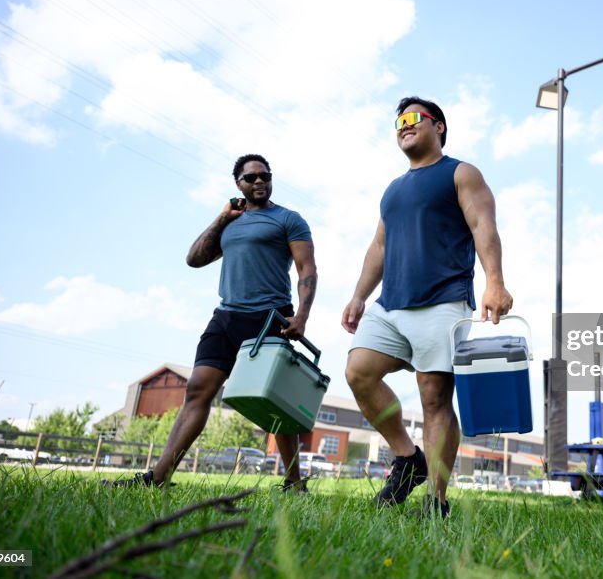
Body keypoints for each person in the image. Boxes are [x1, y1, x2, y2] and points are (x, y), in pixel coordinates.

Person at [342, 96, 513, 518]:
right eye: (397, 121)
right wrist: (359, 295)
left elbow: (482, 226)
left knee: (435, 398)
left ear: (438, 126)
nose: (403, 125)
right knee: (358, 372)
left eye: (412, 118)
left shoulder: (460, 173)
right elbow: (379, 247)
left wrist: (495, 281)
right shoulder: (393, 189)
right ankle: (407, 458)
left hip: (443, 300)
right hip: (391, 303)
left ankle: (436, 501)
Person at [108, 154, 317, 490]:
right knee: (197, 391)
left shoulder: (288, 219)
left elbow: (307, 269)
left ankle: (294, 481)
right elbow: (194, 259)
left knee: (275, 401)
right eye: (251, 178)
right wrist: (222, 218)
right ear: (239, 184)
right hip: (226, 316)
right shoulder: (229, 222)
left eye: (265, 176)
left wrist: (302, 317)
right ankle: (158, 477)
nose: (259, 182)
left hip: (270, 317)